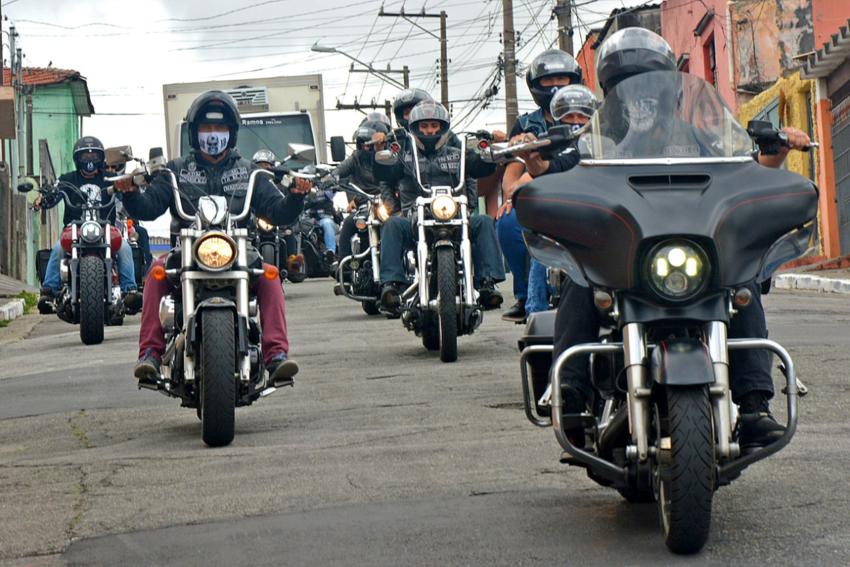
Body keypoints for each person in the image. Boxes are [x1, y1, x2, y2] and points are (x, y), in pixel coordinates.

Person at [549, 27, 812, 449]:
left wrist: (778, 144)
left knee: (740, 284)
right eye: (627, 86)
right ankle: (571, 395)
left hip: (694, 250)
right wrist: (534, 154)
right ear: (611, 91)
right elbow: (550, 176)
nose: (641, 96)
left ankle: (755, 406)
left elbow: (750, 164)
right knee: (581, 282)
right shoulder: (592, 142)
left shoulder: (701, 137)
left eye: (650, 83)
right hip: (627, 257)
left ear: (671, 86)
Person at [114, 91, 308, 387]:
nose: (213, 135)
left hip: (240, 251)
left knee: (269, 276)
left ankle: (276, 356)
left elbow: (278, 211)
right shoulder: (175, 171)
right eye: (207, 129)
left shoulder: (250, 172)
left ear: (231, 134)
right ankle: (150, 355)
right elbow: (150, 207)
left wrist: (296, 196)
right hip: (187, 251)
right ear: (195, 133)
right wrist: (129, 193)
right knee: (155, 274)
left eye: (220, 129)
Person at [377, 100, 505, 315]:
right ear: (415, 127)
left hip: (454, 215)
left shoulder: (458, 153)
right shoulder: (405, 155)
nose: (430, 131)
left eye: (434, 126)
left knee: (483, 221)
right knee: (391, 224)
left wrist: (489, 151)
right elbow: (384, 173)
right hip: (414, 217)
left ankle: (487, 283)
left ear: (443, 126)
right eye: (424, 126)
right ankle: (391, 285)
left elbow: (478, 168)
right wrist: (381, 153)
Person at [497, 49, 582, 323]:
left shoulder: (590, 115)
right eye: (548, 80)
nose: (556, 85)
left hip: (584, 193)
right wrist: (514, 192)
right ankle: (526, 297)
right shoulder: (525, 124)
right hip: (542, 195)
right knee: (508, 222)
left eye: (562, 78)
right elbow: (512, 176)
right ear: (536, 86)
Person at [510, 85, 599, 316]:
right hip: (564, 216)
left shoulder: (608, 143)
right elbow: (543, 167)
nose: (576, 120)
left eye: (582, 115)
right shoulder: (551, 143)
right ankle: (535, 312)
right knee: (545, 249)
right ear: (559, 118)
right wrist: (530, 156)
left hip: (603, 215)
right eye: (569, 115)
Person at [37, 136, 141, 314]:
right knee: (57, 249)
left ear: (101, 158)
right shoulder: (67, 179)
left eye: (94, 156)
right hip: (74, 227)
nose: (90, 160)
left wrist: (132, 187)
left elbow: (128, 192)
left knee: (124, 248)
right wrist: (44, 198)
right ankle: (49, 292)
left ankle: (129, 292)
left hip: (106, 227)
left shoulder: (111, 178)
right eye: (85, 156)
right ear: (78, 159)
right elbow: (54, 193)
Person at [334, 120, 390, 261]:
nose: (368, 147)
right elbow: (341, 169)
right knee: (348, 223)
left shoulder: (392, 157)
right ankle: (345, 268)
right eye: (365, 143)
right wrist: (330, 177)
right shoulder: (356, 158)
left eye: (374, 143)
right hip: (364, 203)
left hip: (389, 204)